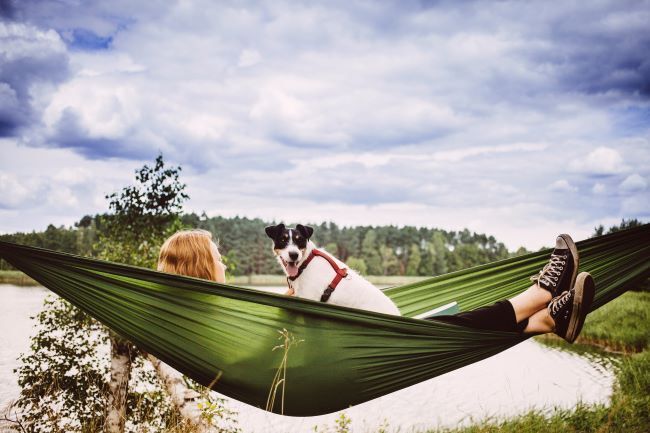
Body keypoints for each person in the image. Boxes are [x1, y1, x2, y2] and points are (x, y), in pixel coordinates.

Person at [158, 230, 594, 343]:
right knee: (445, 329)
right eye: (215, 256)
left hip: (343, 346)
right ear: (199, 266)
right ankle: (540, 294)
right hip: (340, 356)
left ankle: (543, 320)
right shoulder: (220, 310)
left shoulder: (208, 311)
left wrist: (288, 299)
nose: (222, 261)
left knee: (446, 326)